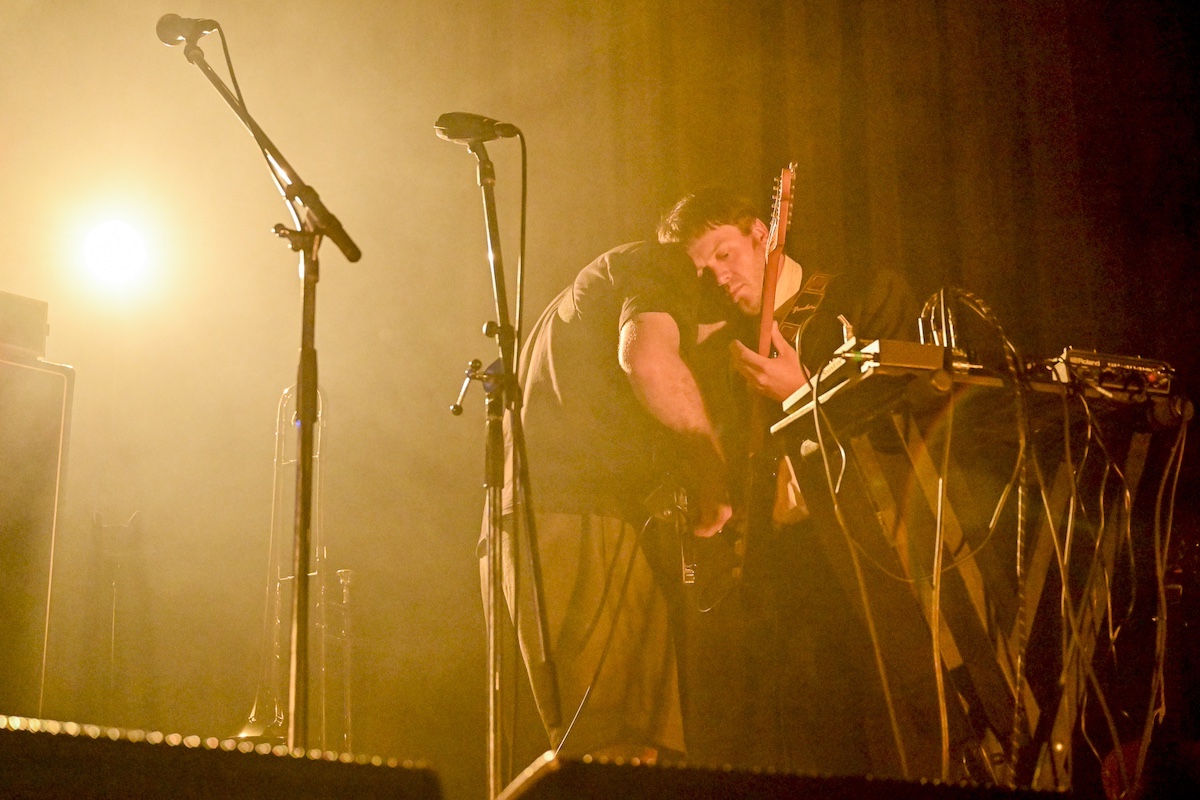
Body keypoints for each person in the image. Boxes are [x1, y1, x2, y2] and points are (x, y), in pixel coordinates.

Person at [492, 240, 732, 762]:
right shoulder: (662, 261)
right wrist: (712, 474)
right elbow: (647, 361)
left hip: (546, 524)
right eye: (721, 253)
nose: (721, 277)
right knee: (616, 749)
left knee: (611, 751)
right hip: (583, 521)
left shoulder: (585, 298)